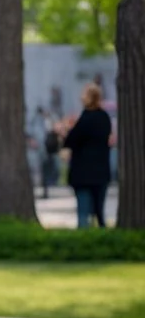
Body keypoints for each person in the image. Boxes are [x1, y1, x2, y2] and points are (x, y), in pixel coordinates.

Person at [63, 83, 113, 228]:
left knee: (83, 214)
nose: (81, 97)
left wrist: (66, 130)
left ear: (89, 98)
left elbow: (70, 141)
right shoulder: (104, 118)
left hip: (83, 174)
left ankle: (85, 242)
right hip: (101, 173)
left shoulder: (85, 119)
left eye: (84, 94)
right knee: (100, 213)